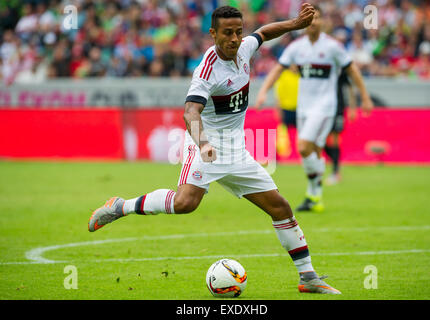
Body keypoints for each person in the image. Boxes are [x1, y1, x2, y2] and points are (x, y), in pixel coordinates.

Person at [88, 4, 341, 295]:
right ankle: (122, 206)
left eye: (237, 32)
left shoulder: (244, 47)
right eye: (227, 33)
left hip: (236, 149)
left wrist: (295, 23)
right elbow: (189, 113)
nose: (234, 39)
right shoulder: (207, 69)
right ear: (213, 34)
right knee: (185, 203)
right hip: (205, 144)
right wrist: (204, 143)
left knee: (280, 207)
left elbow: (263, 33)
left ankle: (308, 278)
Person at [255, 5, 373, 212]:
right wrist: (264, 90)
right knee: (314, 152)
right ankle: (314, 196)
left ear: (323, 22)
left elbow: (352, 70)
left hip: (325, 107)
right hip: (303, 108)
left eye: (316, 18)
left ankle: (315, 191)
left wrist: (364, 96)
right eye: (309, 18)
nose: (313, 22)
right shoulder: (296, 48)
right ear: (303, 22)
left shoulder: (332, 47)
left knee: (302, 146)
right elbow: (277, 69)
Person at [324, 66, 357, 185]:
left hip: (338, 108)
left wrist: (352, 108)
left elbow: (349, 87)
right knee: (321, 140)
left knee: (334, 139)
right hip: (321, 108)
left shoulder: (339, 68)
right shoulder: (320, 65)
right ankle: (335, 164)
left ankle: (336, 172)